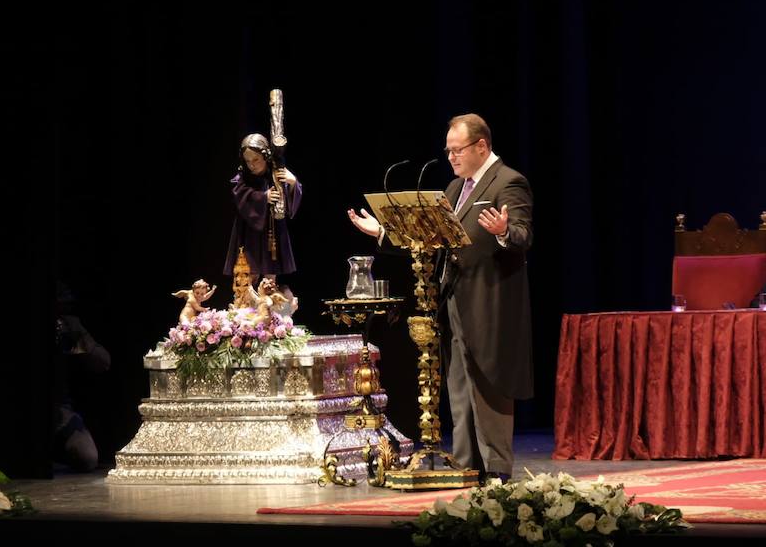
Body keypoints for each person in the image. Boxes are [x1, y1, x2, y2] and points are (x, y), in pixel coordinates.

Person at [348, 113, 533, 483]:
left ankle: (496, 468)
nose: (451, 156)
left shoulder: (508, 182)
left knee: (488, 383)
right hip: (454, 300)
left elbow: (522, 235)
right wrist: (383, 233)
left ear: (482, 146)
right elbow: (428, 240)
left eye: (457, 149)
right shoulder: (453, 188)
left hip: (490, 304)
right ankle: (467, 465)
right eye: (448, 150)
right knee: (460, 385)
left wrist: (503, 231)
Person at [223, 133, 302, 285]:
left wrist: (293, 183)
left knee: (270, 276)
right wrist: (263, 197)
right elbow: (239, 194)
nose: (252, 165)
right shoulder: (243, 177)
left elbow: (288, 201)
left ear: (265, 156)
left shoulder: (275, 173)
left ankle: (268, 304)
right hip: (249, 231)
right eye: (248, 161)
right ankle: (247, 306)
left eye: (256, 160)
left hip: (272, 231)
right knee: (249, 274)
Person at [54, 283, 111, 472]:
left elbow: (102, 363)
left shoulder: (67, 325)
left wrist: (75, 331)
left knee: (87, 457)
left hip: (59, 410)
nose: (67, 302)